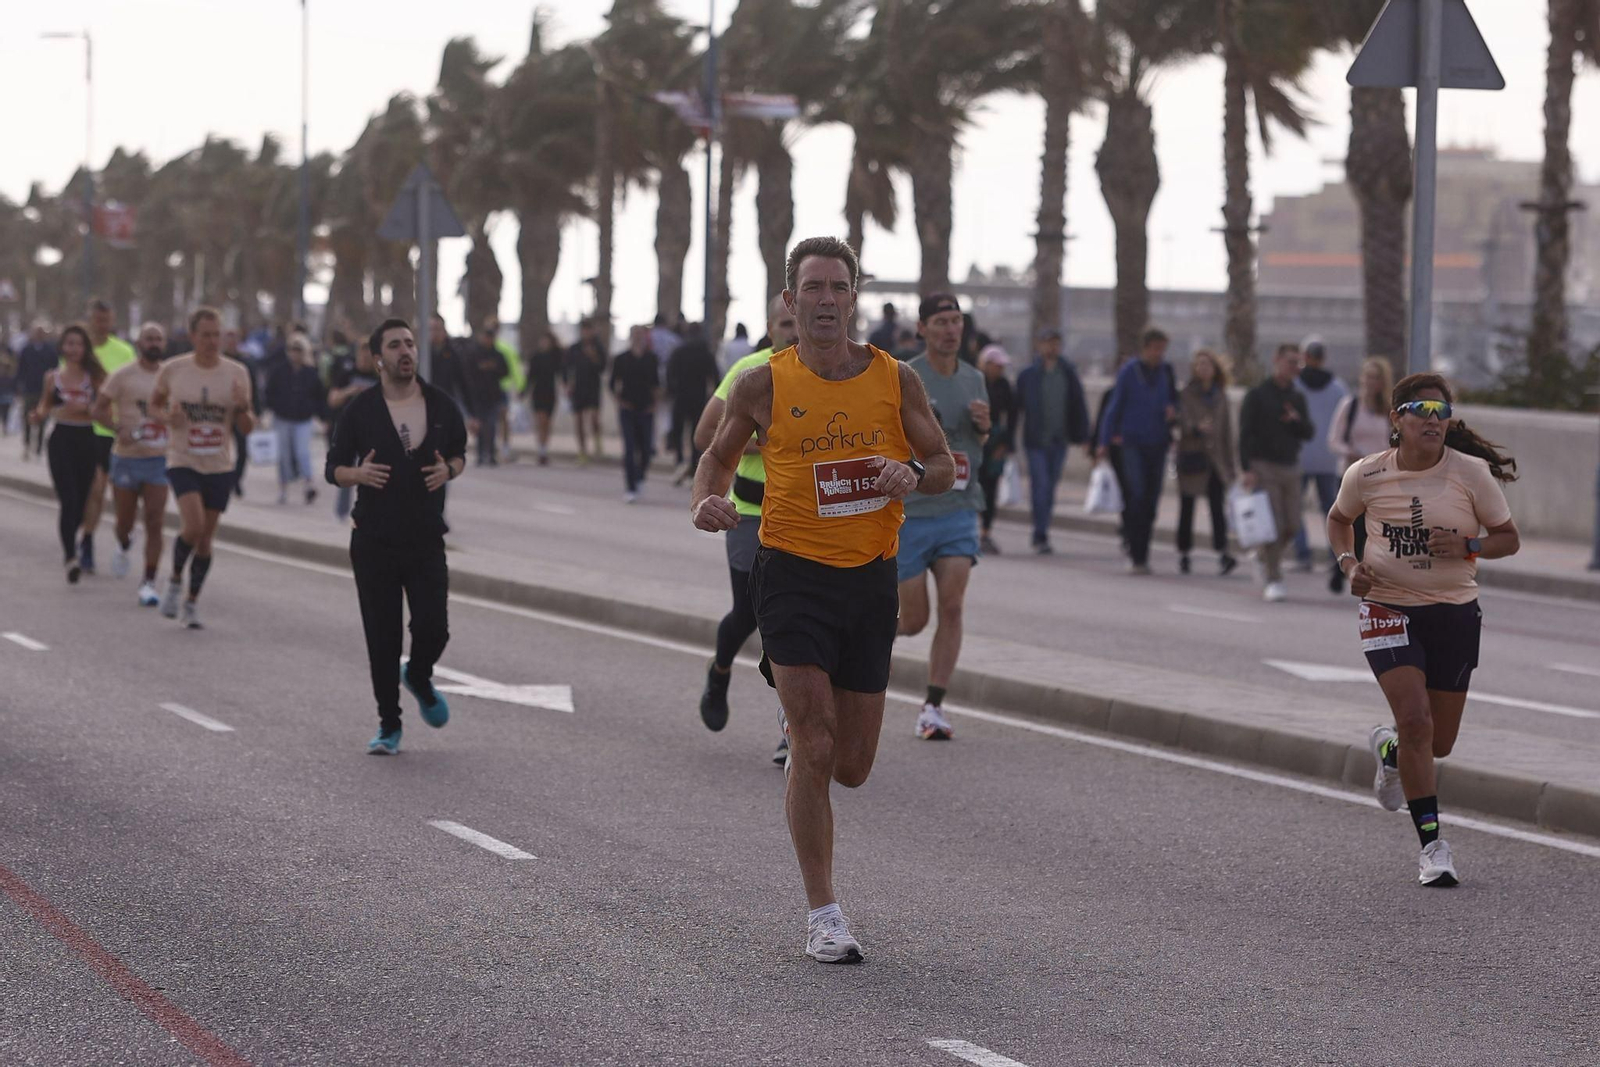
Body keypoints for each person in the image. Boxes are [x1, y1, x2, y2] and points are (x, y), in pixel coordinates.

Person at [691, 236, 954, 964]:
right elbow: (713, 455)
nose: (828, 299)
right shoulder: (762, 382)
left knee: (855, 763)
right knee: (814, 743)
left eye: (840, 286)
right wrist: (704, 502)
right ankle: (824, 912)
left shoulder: (892, 378)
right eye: (814, 287)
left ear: (855, 297)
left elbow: (941, 464)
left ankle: (801, 712)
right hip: (791, 574)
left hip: (868, 577)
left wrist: (908, 472)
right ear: (790, 300)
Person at [1327, 373, 1520, 888]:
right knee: (1416, 721)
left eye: (1441, 410)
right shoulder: (1366, 474)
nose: (1432, 419)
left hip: (1454, 610)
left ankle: (1390, 752)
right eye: (1420, 409)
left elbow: (1508, 539)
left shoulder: (1471, 474)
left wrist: (1469, 548)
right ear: (1397, 420)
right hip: (1388, 605)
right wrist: (1350, 565)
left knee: (1438, 742)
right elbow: (1338, 520)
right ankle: (1433, 847)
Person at [325, 318, 467, 755]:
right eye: (394, 345)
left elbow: (460, 455)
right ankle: (389, 725)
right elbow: (333, 469)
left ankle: (420, 675)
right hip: (373, 541)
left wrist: (449, 470)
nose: (405, 351)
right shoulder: (361, 410)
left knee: (434, 628)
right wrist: (358, 474)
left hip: (425, 538)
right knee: (382, 637)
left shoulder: (440, 405)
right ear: (376, 358)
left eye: (409, 343)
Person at [693, 293, 799, 764]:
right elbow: (704, 437)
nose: (793, 333)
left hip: (801, 517)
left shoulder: (827, 374)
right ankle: (720, 672)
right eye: (784, 325)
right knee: (749, 615)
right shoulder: (751, 372)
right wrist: (761, 444)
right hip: (749, 513)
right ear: (769, 327)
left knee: (792, 621)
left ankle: (791, 728)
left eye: (798, 325)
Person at [897, 294, 990, 741]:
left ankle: (933, 706)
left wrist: (985, 428)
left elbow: (979, 445)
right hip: (914, 512)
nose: (951, 329)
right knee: (913, 621)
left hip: (959, 509)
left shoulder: (975, 379)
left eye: (956, 321)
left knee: (952, 607)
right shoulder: (905, 376)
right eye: (941, 321)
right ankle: (860, 639)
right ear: (923, 329)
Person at [149, 307, 255, 630]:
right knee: (192, 527)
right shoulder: (173, 369)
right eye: (205, 335)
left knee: (206, 540)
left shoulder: (237, 372)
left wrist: (241, 407)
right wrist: (169, 418)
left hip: (220, 464)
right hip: (183, 460)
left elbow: (248, 427)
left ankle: (192, 601)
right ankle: (175, 581)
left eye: (216, 335)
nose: (212, 341)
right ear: (192, 336)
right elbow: (154, 405)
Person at [92, 322, 171, 604]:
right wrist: (117, 429)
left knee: (155, 520)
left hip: (159, 459)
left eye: (158, 339)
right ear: (139, 343)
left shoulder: (170, 375)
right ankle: (124, 543)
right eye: (149, 338)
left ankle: (148, 582)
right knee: (124, 521)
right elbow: (98, 409)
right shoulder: (122, 375)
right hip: (126, 458)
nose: (154, 343)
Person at [28, 324, 105, 582]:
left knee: (83, 502)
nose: (73, 349)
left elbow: (101, 408)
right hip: (61, 439)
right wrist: (37, 415)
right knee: (68, 498)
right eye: (69, 344)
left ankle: (79, 540)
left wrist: (86, 408)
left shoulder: (94, 376)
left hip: (86, 439)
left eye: (78, 344)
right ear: (62, 347)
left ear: (85, 349)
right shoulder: (52, 377)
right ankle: (70, 556)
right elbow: (45, 404)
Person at [1239, 343, 1314, 602]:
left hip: (1290, 465)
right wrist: (1247, 468)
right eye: (1291, 362)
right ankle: (1274, 578)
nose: (1294, 368)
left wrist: (1296, 420)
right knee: (1273, 524)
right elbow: (1245, 433)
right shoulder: (1258, 394)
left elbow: (1309, 432)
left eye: (1298, 363)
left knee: (1292, 525)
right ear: (1277, 360)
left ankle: (1262, 557)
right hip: (1264, 465)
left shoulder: (1297, 397)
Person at [1098, 328, 1176, 574]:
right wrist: (1104, 441)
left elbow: (1174, 401)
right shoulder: (1130, 372)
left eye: (1162, 349)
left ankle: (1144, 552)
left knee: (1152, 501)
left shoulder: (1166, 372)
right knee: (1136, 495)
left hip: (1158, 442)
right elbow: (1115, 406)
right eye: (1155, 348)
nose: (1158, 354)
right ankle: (1135, 551)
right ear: (1145, 348)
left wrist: (1173, 413)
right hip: (1132, 443)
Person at [1014, 327, 1090, 555]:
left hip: (1060, 439)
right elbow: (1015, 408)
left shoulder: (1068, 372)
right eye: (1048, 343)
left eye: (1056, 343)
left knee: (1050, 488)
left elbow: (1079, 404)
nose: (1052, 347)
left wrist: (1084, 436)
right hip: (1036, 440)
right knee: (1041, 486)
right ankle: (1040, 533)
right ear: (1040, 345)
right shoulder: (1028, 375)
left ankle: (1043, 528)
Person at [1326, 356, 1395, 592]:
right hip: (1351, 474)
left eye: (1376, 378)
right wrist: (1350, 452)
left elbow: (1394, 443)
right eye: (1368, 377)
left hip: (1379, 477)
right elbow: (1334, 439)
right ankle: (1338, 567)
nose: (1371, 382)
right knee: (1344, 521)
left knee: (1367, 528)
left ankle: (1359, 570)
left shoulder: (1388, 411)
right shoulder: (1351, 405)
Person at [79, 299, 138, 575]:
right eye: (97, 320)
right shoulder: (77, 349)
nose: (101, 325)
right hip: (84, 429)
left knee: (118, 494)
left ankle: (121, 537)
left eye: (106, 320)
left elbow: (134, 390)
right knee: (95, 489)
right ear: (89, 320)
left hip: (113, 430)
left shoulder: (124, 351)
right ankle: (87, 542)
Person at [1173, 348, 1238, 576]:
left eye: (1207, 365)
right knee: (1187, 507)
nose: (1203, 369)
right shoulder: (1186, 394)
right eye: (1199, 364)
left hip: (1215, 461)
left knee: (1217, 508)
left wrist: (1231, 467)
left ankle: (1222, 553)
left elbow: (1228, 433)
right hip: (1193, 457)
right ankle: (1184, 553)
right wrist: (1195, 428)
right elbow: (1180, 422)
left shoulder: (1221, 396)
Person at [1291, 337, 1350, 575]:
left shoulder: (1294, 385)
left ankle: (1303, 555)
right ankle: (1334, 556)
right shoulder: (1338, 388)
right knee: (1331, 511)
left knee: (1295, 509)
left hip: (1299, 457)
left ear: (1304, 356)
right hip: (1328, 459)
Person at [265, 333, 326, 505]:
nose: (295, 354)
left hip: (303, 419)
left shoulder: (311, 373)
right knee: (283, 454)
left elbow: (319, 396)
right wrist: (271, 409)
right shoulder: (279, 370)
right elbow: (270, 392)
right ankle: (283, 488)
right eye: (292, 350)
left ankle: (309, 485)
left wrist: (323, 417)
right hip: (282, 417)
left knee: (302, 452)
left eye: (299, 350)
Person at [327, 339, 380, 521]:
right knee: (347, 471)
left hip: (372, 434)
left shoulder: (379, 377)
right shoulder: (346, 374)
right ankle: (341, 513)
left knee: (371, 474)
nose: (365, 359)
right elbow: (332, 399)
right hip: (348, 432)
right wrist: (350, 391)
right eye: (362, 354)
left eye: (369, 355)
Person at [665, 323, 721, 484]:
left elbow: (670, 373)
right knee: (695, 435)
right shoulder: (706, 353)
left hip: (680, 396)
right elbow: (715, 377)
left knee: (678, 430)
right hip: (699, 398)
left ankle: (680, 461)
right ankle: (693, 466)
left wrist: (672, 390)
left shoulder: (679, 351)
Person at [611, 325, 659, 503]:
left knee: (646, 449)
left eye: (641, 335)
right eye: (635, 334)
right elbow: (612, 383)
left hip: (646, 410)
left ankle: (640, 476)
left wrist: (654, 404)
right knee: (629, 449)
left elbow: (656, 383)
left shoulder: (651, 359)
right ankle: (630, 486)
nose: (638, 338)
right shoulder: (621, 359)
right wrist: (620, 401)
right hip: (628, 409)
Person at [977, 345, 1016, 556]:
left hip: (995, 442)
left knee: (991, 488)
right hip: (975, 442)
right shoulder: (975, 382)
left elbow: (1012, 417)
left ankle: (985, 531)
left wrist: (1005, 445)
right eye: (996, 365)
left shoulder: (1004, 387)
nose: (999, 370)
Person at [465, 324, 511, 467]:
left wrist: (494, 368)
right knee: (480, 425)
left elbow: (505, 372)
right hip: (477, 396)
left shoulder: (498, 355)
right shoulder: (474, 354)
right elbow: (467, 373)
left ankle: (490, 453)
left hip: (493, 396)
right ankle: (480, 454)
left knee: (491, 425)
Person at [566, 318, 607, 462]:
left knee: (594, 417)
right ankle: (582, 450)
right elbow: (567, 368)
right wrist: (568, 384)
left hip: (593, 386)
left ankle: (597, 441)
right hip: (578, 387)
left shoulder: (598, 347)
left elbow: (602, 367)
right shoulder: (574, 348)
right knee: (579, 420)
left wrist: (593, 356)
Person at [19, 324, 58, 460]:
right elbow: (21, 368)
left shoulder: (50, 350)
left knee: (42, 419)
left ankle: (39, 448)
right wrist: (19, 385)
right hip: (29, 389)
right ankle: (27, 444)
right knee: (27, 418)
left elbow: (55, 368)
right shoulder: (26, 350)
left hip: (44, 390)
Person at [526, 331, 564, 466]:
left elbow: (562, 372)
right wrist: (524, 391)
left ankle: (544, 448)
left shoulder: (555, 357)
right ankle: (541, 450)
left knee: (547, 423)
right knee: (540, 421)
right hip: (538, 393)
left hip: (550, 393)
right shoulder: (535, 357)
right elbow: (530, 377)